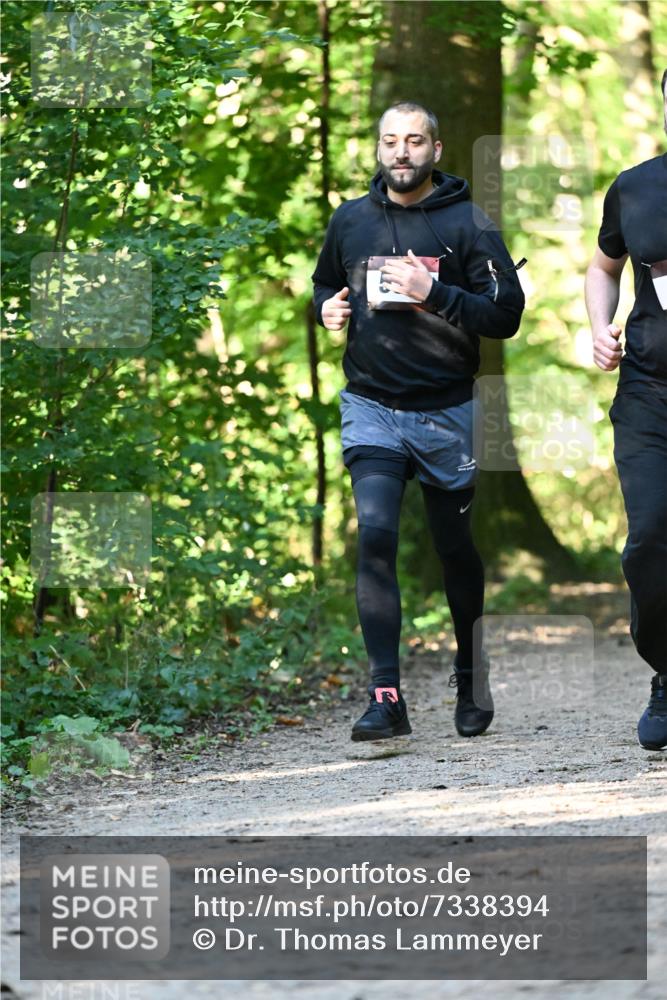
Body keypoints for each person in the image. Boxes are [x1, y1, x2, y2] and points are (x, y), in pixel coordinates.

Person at [311, 101, 525, 742]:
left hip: (447, 412)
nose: (400, 152)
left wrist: (435, 293)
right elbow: (323, 284)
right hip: (372, 406)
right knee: (374, 536)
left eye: (413, 141)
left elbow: (505, 314)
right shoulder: (351, 219)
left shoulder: (469, 223)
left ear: (435, 150)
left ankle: (471, 670)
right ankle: (386, 696)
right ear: (378, 150)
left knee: (453, 548)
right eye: (389, 141)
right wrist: (326, 309)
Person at [585, 69, 667, 751]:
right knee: (649, 540)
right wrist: (598, 328)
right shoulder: (634, 187)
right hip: (649, 393)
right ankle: (666, 671)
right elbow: (602, 267)